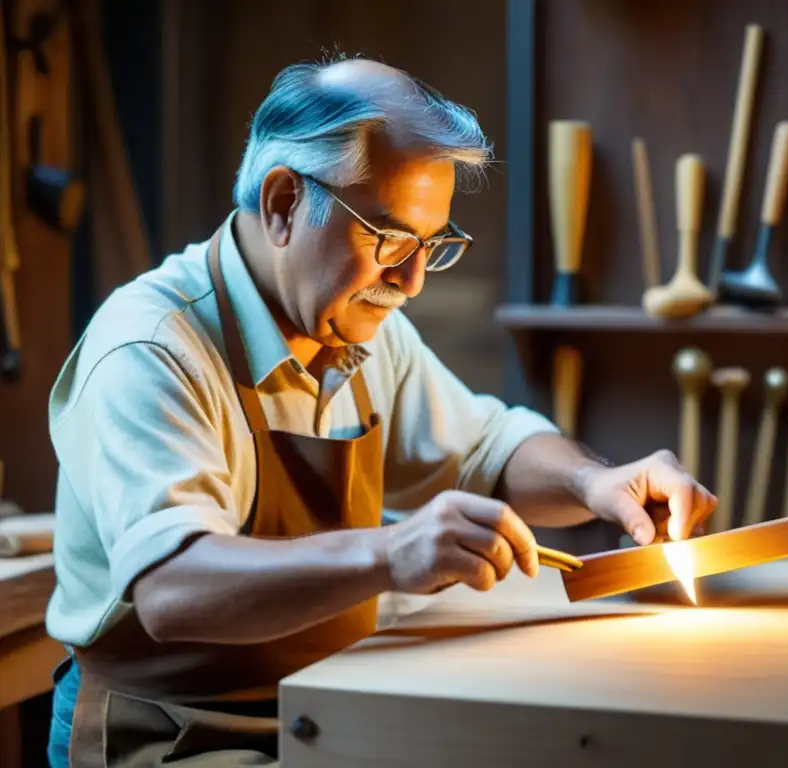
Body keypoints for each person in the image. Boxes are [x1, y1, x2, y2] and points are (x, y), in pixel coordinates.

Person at [44, 56, 716, 766]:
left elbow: (488, 450)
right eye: (390, 239)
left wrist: (596, 484)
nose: (412, 279)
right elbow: (174, 589)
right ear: (282, 205)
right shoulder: (152, 345)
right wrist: (392, 553)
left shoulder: (361, 330)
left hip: (321, 707)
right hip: (169, 732)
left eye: (433, 245)